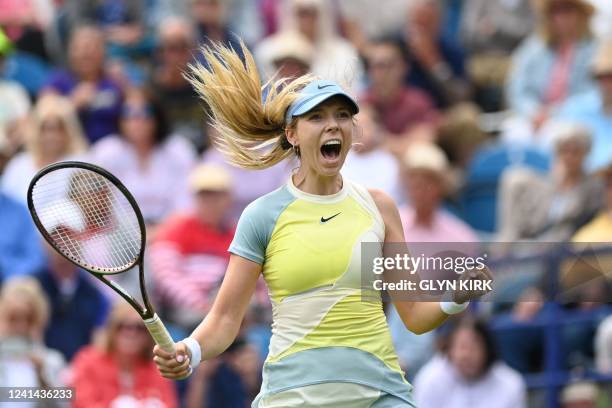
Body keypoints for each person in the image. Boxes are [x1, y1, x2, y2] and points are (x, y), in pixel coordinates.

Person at [152, 42, 492, 407]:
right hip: (292, 398)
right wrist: (190, 350)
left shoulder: (380, 206)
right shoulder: (262, 216)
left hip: (380, 395)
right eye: (316, 117)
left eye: (343, 115)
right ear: (293, 134)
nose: (333, 125)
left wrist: (455, 297)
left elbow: (414, 314)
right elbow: (224, 319)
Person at [150, 163, 235, 331]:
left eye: (216, 196)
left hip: (223, 313)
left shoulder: (236, 231)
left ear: (227, 199)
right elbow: (166, 275)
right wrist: (201, 305)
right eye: (204, 196)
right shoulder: (177, 225)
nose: (210, 202)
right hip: (181, 316)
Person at [69, 301, 178, 408]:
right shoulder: (88, 361)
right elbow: (80, 402)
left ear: (150, 335)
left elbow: (169, 404)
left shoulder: (158, 367)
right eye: (123, 326)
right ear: (112, 330)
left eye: (139, 328)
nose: (131, 333)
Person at [414, 318, 527, 408]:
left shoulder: (510, 382)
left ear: (488, 349)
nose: (467, 355)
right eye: (462, 347)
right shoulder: (429, 379)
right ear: (449, 349)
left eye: (474, 347)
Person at [1, 93, 87, 204]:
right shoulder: (18, 164)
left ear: (69, 131)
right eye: (45, 128)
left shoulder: (82, 164)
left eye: (59, 128)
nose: (51, 136)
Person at [0, 277, 66, 395]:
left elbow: (63, 404)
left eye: (29, 319)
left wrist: (42, 377)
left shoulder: (52, 362)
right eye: (13, 318)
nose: (21, 327)